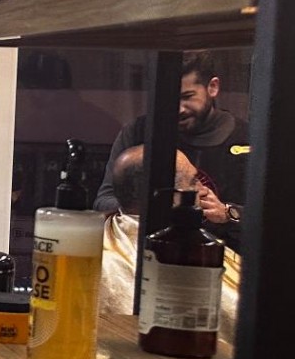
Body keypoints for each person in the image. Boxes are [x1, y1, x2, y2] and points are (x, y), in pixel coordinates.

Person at [95, 52, 248, 245]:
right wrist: (162, 207)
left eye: (187, 96)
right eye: (168, 98)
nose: (179, 108)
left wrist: (228, 213)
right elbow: (104, 201)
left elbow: (273, 215)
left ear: (212, 87)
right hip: (149, 249)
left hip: (222, 252)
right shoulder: (140, 132)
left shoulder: (247, 139)